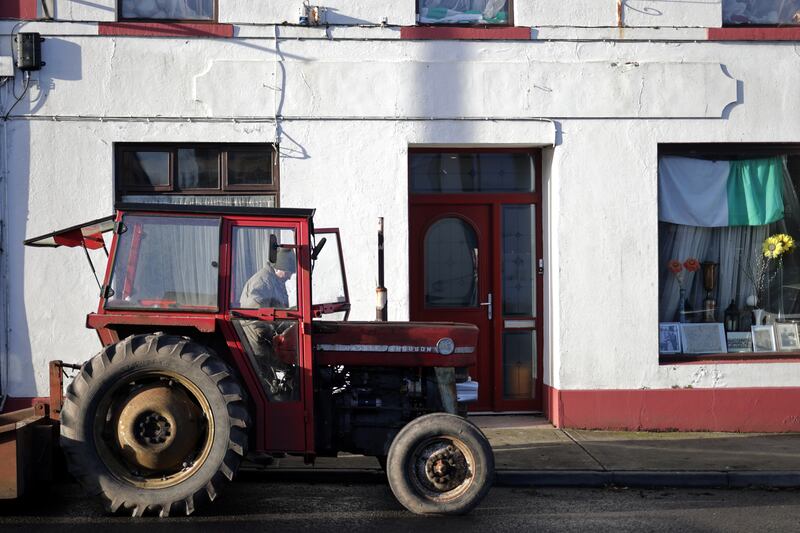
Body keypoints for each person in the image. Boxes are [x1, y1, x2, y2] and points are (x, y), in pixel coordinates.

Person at [238, 248, 299, 401]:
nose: (290, 276)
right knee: (269, 383)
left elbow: (278, 310)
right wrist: (269, 336)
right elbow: (254, 314)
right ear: (279, 267)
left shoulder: (275, 281)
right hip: (258, 342)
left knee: (287, 370)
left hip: (267, 338)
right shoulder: (263, 282)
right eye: (288, 272)